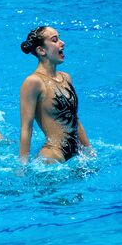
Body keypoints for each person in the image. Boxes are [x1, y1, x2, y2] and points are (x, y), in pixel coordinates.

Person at [19, 26, 91, 163]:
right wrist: (22, 166)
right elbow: (26, 127)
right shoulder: (33, 82)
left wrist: (89, 149)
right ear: (41, 50)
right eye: (55, 40)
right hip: (53, 156)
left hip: (77, 154)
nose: (62, 43)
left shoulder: (66, 77)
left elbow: (75, 118)